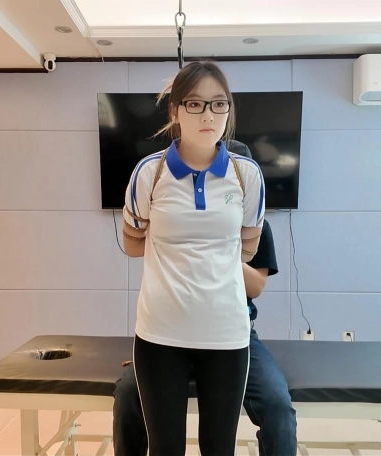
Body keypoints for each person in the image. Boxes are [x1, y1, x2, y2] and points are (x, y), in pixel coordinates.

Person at [114, 142, 297, 456]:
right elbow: (135, 244)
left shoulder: (255, 223)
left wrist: (216, 251)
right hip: (171, 334)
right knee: (128, 395)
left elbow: (256, 286)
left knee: (277, 405)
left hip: (233, 335)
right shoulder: (164, 199)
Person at [121, 61, 266, 455]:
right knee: (165, 448)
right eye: (195, 104)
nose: (208, 115)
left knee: (219, 448)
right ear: (175, 110)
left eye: (219, 104)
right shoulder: (149, 173)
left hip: (226, 334)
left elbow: (247, 248)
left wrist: (194, 253)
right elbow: (132, 244)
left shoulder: (247, 175)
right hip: (160, 334)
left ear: (228, 110)